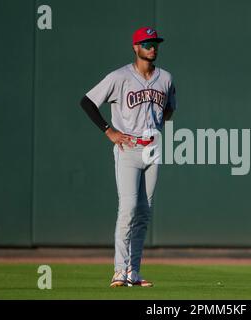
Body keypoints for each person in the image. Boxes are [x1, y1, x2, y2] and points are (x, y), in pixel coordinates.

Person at [79, 27, 177, 287]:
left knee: (144, 212)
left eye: (155, 43)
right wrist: (108, 130)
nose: (152, 47)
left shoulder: (165, 78)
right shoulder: (119, 77)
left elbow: (169, 111)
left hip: (152, 148)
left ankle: (134, 271)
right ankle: (119, 270)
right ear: (135, 47)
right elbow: (87, 102)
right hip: (128, 148)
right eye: (147, 43)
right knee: (129, 208)